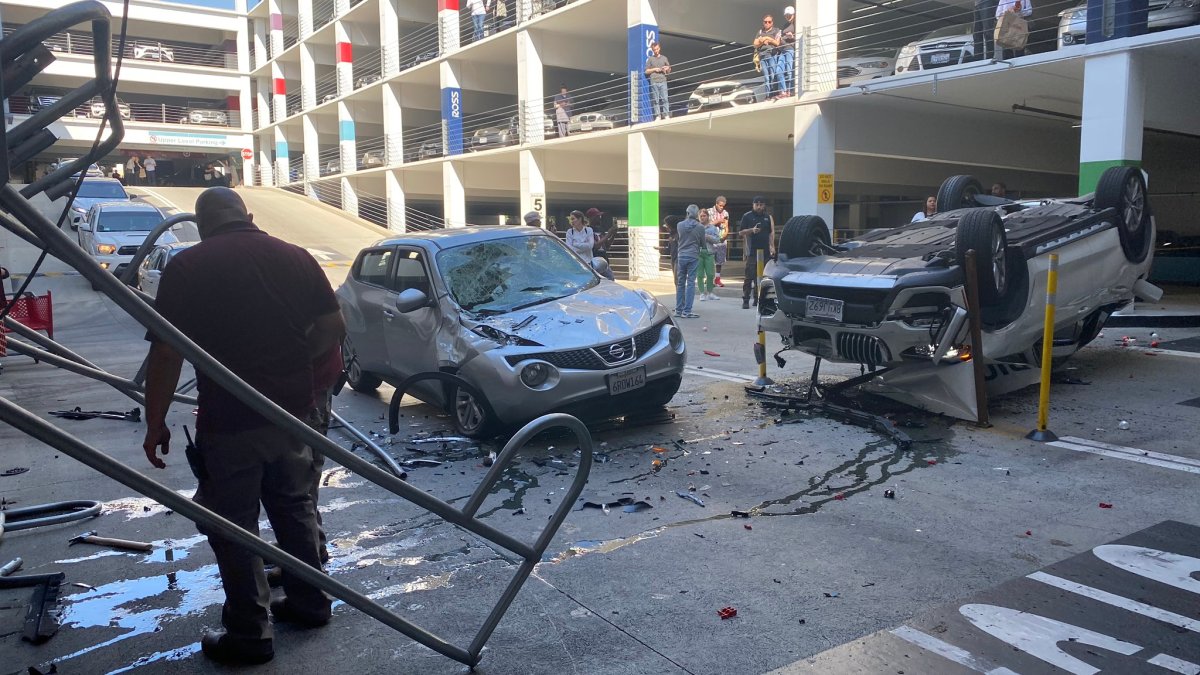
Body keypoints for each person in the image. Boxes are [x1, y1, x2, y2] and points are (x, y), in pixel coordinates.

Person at [142, 187, 344, 665]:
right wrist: (295, 368)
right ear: (248, 215)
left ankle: (251, 634)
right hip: (291, 414)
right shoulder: (296, 257)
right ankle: (311, 602)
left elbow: (167, 352)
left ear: (201, 224)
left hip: (230, 420)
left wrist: (155, 423)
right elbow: (334, 325)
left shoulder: (188, 267)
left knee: (233, 526)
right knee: (294, 508)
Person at [738, 196, 775, 309]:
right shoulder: (747, 216)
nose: (759, 207)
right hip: (752, 251)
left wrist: (772, 246)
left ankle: (758, 299)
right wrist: (751, 230)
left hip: (765, 251)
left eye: (761, 204)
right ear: (753, 205)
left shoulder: (767, 217)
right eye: (756, 204)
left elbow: (770, 233)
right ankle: (746, 299)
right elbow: (741, 232)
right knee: (749, 276)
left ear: (764, 205)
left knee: (763, 277)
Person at [674, 205, 706, 318]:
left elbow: (680, 239)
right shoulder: (700, 227)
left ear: (687, 213)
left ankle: (678, 310)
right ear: (697, 214)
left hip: (681, 256)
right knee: (691, 283)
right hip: (693, 256)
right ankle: (687, 311)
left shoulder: (679, 225)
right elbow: (703, 244)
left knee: (680, 283)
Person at [753, 15, 783, 99]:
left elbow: (777, 43)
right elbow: (755, 44)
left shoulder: (776, 30)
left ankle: (774, 93)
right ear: (763, 22)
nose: (767, 23)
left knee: (773, 75)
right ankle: (768, 95)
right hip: (762, 55)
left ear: (772, 22)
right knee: (766, 77)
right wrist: (762, 42)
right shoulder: (760, 31)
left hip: (772, 55)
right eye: (765, 22)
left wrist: (767, 38)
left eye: (769, 22)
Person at [696, 208, 721, 302]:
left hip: (709, 252)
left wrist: (708, 237)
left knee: (710, 274)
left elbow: (717, 240)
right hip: (698, 252)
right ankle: (702, 293)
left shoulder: (713, 228)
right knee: (699, 274)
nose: (702, 218)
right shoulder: (696, 227)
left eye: (704, 216)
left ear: (707, 216)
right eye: (701, 216)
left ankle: (710, 292)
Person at [645, 41, 671, 121]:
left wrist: (667, 69)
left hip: (663, 80)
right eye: (654, 50)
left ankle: (666, 114)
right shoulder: (650, 59)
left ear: (659, 48)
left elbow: (669, 70)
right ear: (652, 50)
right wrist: (654, 69)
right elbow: (646, 71)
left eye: (657, 49)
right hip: (654, 81)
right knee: (655, 100)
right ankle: (658, 116)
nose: (656, 51)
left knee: (665, 99)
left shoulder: (664, 58)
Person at [707, 196, 730, 287]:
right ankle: (709, 279)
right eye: (720, 205)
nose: (722, 207)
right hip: (711, 239)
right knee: (710, 260)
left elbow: (726, 225)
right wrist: (718, 221)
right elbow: (706, 224)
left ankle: (717, 279)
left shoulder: (725, 213)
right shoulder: (708, 212)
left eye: (723, 206)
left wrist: (726, 233)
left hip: (721, 239)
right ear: (716, 204)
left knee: (719, 261)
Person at [778, 7, 797, 98]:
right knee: (779, 70)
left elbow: (799, 38)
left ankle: (789, 91)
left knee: (789, 71)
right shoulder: (785, 25)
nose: (788, 17)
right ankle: (783, 91)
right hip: (782, 49)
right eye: (786, 16)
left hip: (790, 49)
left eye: (789, 15)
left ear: (793, 15)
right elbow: (781, 36)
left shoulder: (796, 24)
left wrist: (792, 37)